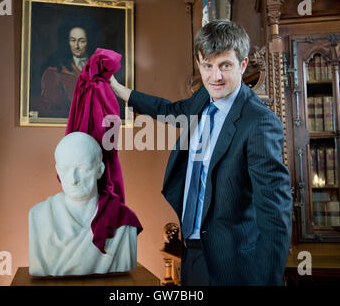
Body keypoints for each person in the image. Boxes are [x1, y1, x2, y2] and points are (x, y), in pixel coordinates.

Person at [110, 20, 292, 285]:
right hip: (192, 255)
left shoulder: (259, 123)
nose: (215, 76)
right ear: (199, 63)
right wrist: (121, 92)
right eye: (208, 66)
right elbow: (169, 111)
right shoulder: (203, 99)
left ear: (242, 65)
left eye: (225, 66)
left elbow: (275, 219)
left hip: (234, 268)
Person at [28, 132, 137, 276]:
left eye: (83, 168)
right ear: (57, 170)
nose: (73, 179)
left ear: (100, 170)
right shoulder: (39, 216)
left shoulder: (122, 220)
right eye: (65, 169)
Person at [40, 27, 89, 118]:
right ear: (67, 42)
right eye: (73, 40)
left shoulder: (99, 66)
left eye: (82, 41)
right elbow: (53, 106)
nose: (77, 46)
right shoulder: (55, 71)